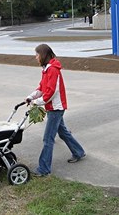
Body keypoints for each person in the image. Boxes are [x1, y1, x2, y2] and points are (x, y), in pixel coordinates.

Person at [25, 43, 86, 176]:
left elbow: (51, 92)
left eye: (37, 55)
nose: (35, 57)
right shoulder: (46, 69)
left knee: (48, 139)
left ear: (43, 55)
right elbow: (42, 87)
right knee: (63, 132)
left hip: (56, 108)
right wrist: (31, 96)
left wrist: (37, 102)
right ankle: (78, 152)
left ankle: (44, 169)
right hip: (52, 107)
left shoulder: (53, 70)